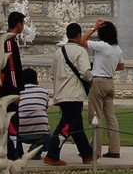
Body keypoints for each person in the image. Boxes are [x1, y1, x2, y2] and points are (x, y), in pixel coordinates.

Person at [43, 23, 94, 166]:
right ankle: (52, 154)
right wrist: (91, 81)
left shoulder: (58, 52)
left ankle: (87, 154)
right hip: (74, 94)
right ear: (79, 35)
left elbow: (53, 74)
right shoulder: (80, 51)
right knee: (66, 126)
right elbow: (85, 72)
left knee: (76, 126)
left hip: (61, 94)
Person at [83, 19, 124, 159]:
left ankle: (95, 148)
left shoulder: (101, 45)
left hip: (98, 81)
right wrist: (109, 68)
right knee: (110, 117)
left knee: (95, 116)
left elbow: (81, 41)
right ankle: (114, 149)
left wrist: (93, 28)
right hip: (110, 82)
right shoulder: (117, 49)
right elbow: (121, 66)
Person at [0, 11, 26, 160]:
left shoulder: (10, 39)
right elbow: (11, 68)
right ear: (18, 24)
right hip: (9, 90)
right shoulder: (9, 41)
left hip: (7, 89)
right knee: (12, 120)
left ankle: (16, 149)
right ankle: (12, 151)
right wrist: (15, 91)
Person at [17, 68, 50, 158]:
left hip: (20, 132)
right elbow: (45, 108)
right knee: (50, 135)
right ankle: (36, 148)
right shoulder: (44, 92)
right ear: (36, 80)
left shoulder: (18, 92)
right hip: (40, 131)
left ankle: (18, 151)